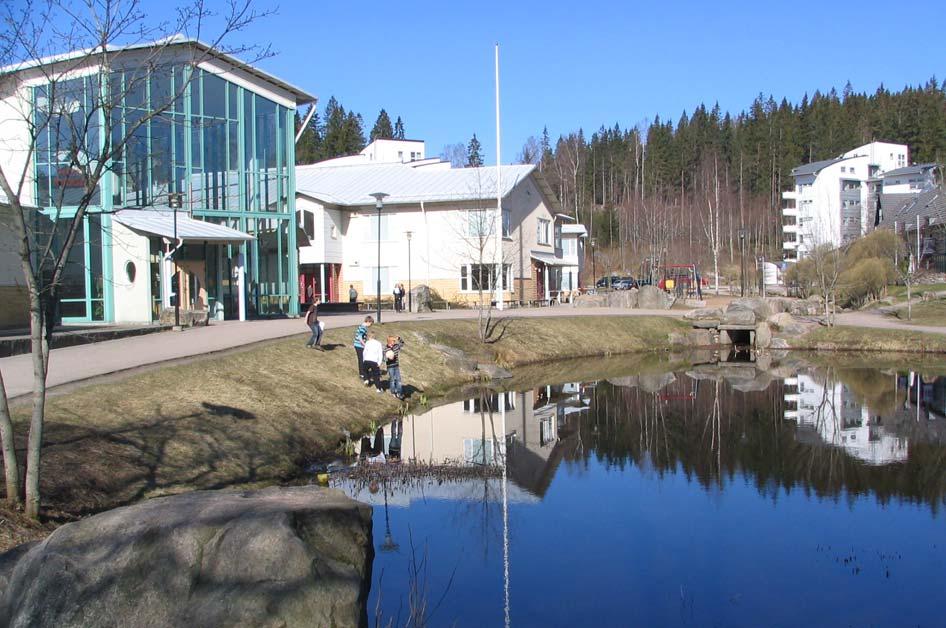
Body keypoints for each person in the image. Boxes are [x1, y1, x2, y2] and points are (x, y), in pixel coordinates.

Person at [353, 315, 373, 383]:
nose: (370, 325)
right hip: (359, 346)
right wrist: (364, 345)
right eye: (371, 323)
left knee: (362, 359)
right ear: (368, 321)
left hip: (359, 345)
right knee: (362, 360)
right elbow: (359, 337)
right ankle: (362, 374)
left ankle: (362, 373)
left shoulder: (363, 327)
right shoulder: (363, 327)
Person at [385, 335, 405, 399]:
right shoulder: (386, 349)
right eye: (393, 341)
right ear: (390, 342)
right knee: (392, 380)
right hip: (390, 366)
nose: (394, 341)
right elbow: (384, 359)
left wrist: (399, 338)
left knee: (399, 379)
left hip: (396, 365)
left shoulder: (396, 346)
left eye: (394, 340)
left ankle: (399, 393)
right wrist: (388, 358)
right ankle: (393, 392)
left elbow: (402, 343)